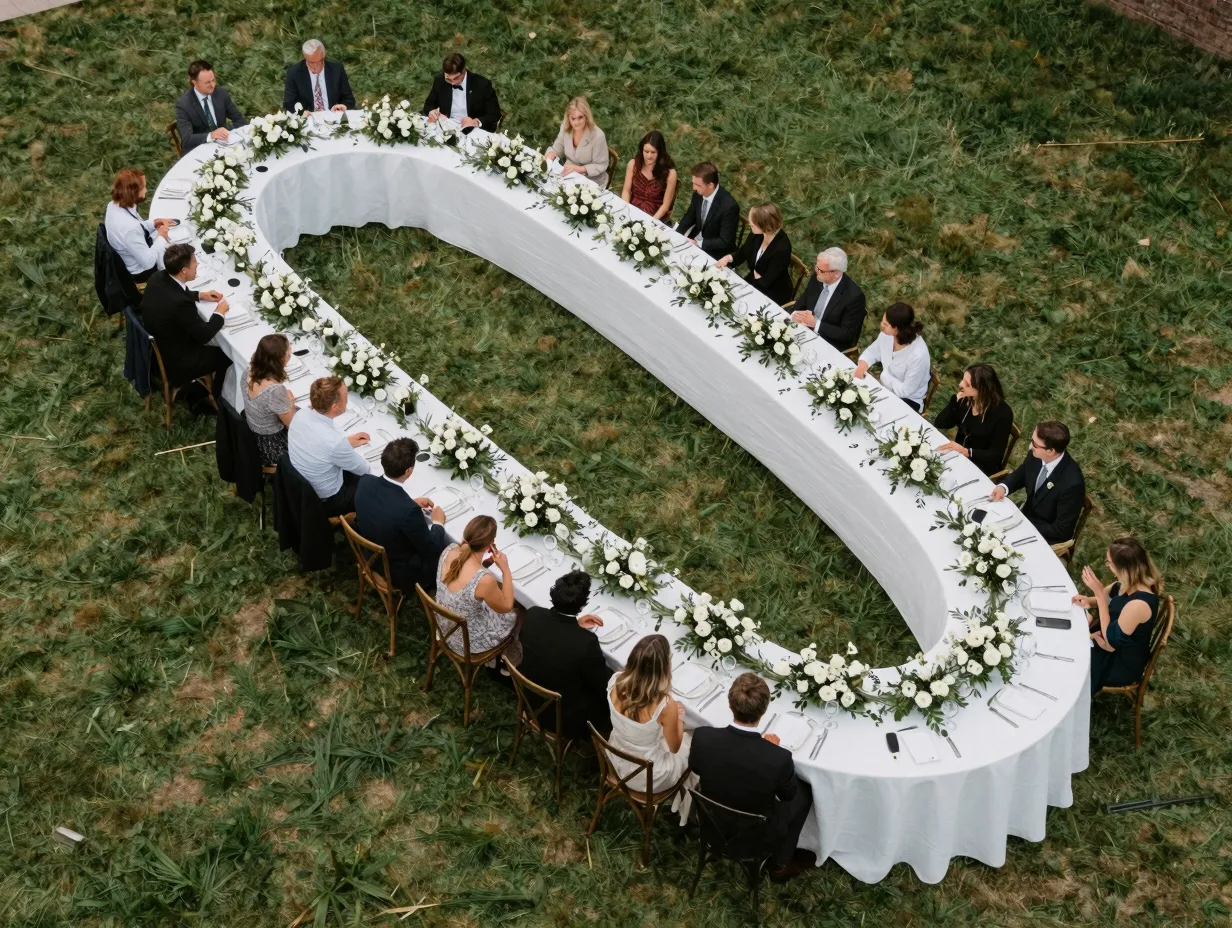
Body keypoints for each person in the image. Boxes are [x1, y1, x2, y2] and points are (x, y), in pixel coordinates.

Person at [689, 673, 816, 883]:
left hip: (711, 825)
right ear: (764, 710)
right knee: (803, 793)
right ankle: (781, 864)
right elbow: (788, 795)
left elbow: (695, 767)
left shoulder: (703, 737)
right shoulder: (778, 758)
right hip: (756, 838)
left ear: (730, 705)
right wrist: (771, 752)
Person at [516, 570, 612, 740]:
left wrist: (575, 626)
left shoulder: (533, 614)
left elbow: (553, 638)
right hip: (563, 718)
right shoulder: (586, 643)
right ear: (582, 606)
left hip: (528, 698)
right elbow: (601, 686)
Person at [353, 438, 448, 596]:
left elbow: (382, 505)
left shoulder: (365, 482)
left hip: (369, 553)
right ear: (408, 471)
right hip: (399, 571)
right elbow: (430, 547)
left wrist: (409, 502)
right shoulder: (409, 512)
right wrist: (438, 523)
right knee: (448, 549)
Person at [606, 635, 694, 805]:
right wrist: (680, 720)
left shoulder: (615, 680)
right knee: (692, 741)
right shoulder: (666, 705)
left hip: (615, 758)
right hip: (647, 775)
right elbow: (674, 748)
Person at [141, 244, 231, 407]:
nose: (197, 267)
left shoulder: (158, 277)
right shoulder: (181, 304)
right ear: (184, 271)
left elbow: (173, 293)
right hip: (178, 361)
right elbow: (205, 335)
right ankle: (215, 399)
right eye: (195, 265)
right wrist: (220, 312)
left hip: (159, 346)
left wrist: (199, 295)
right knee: (226, 355)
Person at [1074, 537, 1162, 694]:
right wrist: (1089, 600)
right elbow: (1106, 599)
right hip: (1110, 638)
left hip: (1120, 660)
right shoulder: (1125, 583)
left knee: (1074, 658)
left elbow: (1110, 639)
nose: (1107, 566)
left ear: (1123, 569)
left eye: (1109, 563)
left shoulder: (1138, 605)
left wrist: (1099, 593)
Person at [434, 516, 521, 663]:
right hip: (467, 642)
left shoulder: (449, 550)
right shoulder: (484, 579)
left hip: (443, 626)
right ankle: (509, 654)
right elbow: (506, 606)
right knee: (516, 612)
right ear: (491, 543)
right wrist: (505, 570)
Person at [990, 420, 1086, 545]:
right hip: (1025, 515)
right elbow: (1023, 473)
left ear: (1050, 451)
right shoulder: (1035, 455)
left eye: (1035, 444)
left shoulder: (1072, 484)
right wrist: (1004, 487)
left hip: (1044, 536)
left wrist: (1023, 524)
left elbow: (1061, 530)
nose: (1030, 446)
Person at [287, 376, 370, 516]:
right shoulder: (335, 443)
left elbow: (318, 442)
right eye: (345, 396)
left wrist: (346, 444)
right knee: (373, 485)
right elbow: (365, 470)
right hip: (327, 499)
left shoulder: (300, 414)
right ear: (334, 406)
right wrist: (344, 447)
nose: (348, 399)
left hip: (301, 484)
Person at [934, 363, 1015, 476]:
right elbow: (940, 423)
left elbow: (995, 456)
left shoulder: (1003, 414)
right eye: (963, 380)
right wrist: (954, 403)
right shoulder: (966, 400)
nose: (960, 384)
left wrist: (966, 452)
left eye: (967, 384)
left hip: (979, 467)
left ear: (981, 389)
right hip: (957, 457)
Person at [854, 302, 931, 411]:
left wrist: (884, 377)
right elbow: (873, 352)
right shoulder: (887, 334)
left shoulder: (918, 355)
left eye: (885, 324)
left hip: (907, 400)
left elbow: (907, 391)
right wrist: (862, 366)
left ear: (897, 329)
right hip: (884, 388)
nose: (881, 325)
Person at [789, 247, 866, 352]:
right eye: (816, 267)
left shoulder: (854, 297)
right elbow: (804, 300)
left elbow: (846, 334)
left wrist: (816, 324)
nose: (816, 271)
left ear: (836, 274)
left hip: (828, 343)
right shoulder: (817, 278)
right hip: (803, 330)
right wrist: (795, 314)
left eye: (820, 270)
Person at [715, 203, 794, 306]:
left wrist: (755, 280)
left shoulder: (782, 249)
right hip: (755, 279)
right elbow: (743, 252)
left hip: (771, 291)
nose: (750, 224)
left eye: (753, 223)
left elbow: (765, 282)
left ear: (764, 225)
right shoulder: (757, 232)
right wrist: (729, 258)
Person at [104, 169, 173, 282]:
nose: (146, 190)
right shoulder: (130, 230)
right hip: (142, 272)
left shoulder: (113, 206)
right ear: (133, 193)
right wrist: (161, 237)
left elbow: (136, 225)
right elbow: (148, 262)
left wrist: (153, 223)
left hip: (136, 252)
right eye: (143, 187)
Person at [175, 59, 248, 155]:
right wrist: (212, 135)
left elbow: (240, 120)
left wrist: (226, 130)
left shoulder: (221, 94)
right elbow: (187, 139)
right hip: (198, 151)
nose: (212, 85)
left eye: (213, 80)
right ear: (194, 82)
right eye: (207, 83)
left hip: (224, 147)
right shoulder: (183, 104)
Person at [245, 334, 297, 466]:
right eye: (288, 354)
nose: (290, 354)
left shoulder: (250, 369)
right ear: (279, 360)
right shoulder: (274, 390)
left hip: (253, 431)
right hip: (271, 445)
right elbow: (292, 425)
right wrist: (290, 402)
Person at [422, 53, 501, 132]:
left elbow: (494, 114)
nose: (452, 83)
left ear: (464, 70)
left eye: (455, 78)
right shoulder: (440, 81)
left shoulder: (482, 84)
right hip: (447, 125)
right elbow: (429, 104)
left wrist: (476, 122)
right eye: (448, 79)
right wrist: (431, 111)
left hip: (473, 129)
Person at [675, 162, 739, 259]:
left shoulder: (729, 207)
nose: (694, 188)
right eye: (693, 183)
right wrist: (676, 234)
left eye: (698, 185)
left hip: (714, 252)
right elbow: (690, 216)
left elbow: (724, 241)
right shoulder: (698, 194)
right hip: (695, 241)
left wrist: (698, 243)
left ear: (710, 185)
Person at [545, 96, 609, 188]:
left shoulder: (598, 135)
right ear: (568, 118)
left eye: (580, 117)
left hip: (592, 180)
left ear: (586, 116)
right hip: (568, 175)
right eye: (573, 118)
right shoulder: (566, 127)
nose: (576, 122)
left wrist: (579, 169)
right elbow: (559, 145)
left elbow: (601, 165)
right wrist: (551, 153)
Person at [283, 39, 355, 114]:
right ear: (305, 57)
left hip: (333, 116)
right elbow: (288, 104)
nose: (316, 66)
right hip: (309, 119)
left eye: (320, 61)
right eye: (311, 63)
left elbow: (349, 100)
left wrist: (343, 106)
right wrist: (301, 113)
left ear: (324, 55)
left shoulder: (336, 69)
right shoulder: (294, 73)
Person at [620, 130, 677, 222]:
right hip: (631, 208)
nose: (649, 156)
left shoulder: (670, 174)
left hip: (653, 215)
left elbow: (665, 206)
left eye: (653, 152)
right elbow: (626, 190)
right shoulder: (633, 164)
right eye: (646, 151)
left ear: (660, 152)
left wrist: (651, 222)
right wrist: (625, 209)